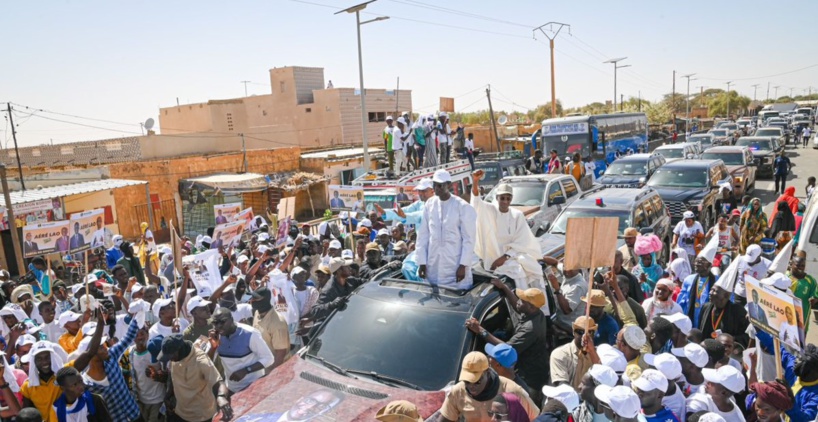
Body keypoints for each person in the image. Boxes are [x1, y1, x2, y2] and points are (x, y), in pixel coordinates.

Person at [466, 280, 549, 393]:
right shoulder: (534, 312)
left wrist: (480, 330)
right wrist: (504, 288)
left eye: (522, 301)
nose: (519, 302)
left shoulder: (531, 328)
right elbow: (516, 305)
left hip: (530, 377)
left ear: (532, 307)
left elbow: (506, 349)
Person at [471, 172, 546, 292]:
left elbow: (522, 241)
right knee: (516, 274)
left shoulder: (517, 215)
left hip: (512, 256)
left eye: (508, 198)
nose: (505, 201)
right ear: (497, 198)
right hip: (492, 257)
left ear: (511, 199)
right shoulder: (490, 210)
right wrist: (475, 182)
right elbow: (477, 202)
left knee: (533, 271)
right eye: (502, 198)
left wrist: (505, 257)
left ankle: (528, 304)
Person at [437, 352, 539, 422]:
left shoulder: (512, 391)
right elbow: (445, 419)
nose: (471, 386)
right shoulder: (457, 392)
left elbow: (536, 418)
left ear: (488, 373)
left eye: (477, 381)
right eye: (467, 381)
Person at [416, 170, 476, 288]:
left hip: (455, 267)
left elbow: (469, 239)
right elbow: (423, 235)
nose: (437, 188)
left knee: (456, 301)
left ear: (449, 185)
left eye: (440, 185)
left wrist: (463, 265)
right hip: (433, 266)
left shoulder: (462, 207)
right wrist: (422, 262)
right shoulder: (430, 204)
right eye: (435, 185)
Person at [160, 335, 233, 422]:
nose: (170, 359)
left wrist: (221, 397)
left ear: (180, 349)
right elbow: (172, 375)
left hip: (202, 417)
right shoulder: (175, 359)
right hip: (180, 414)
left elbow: (219, 383)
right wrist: (168, 395)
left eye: (171, 356)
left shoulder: (200, 360)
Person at [209, 307, 274, 394]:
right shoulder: (217, 336)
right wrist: (213, 346)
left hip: (255, 387)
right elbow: (208, 362)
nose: (218, 326)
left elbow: (269, 359)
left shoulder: (250, 334)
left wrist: (246, 370)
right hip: (232, 389)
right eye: (215, 323)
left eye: (222, 322)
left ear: (231, 319)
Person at [550, 316, 596, 389]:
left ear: (593, 334)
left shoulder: (598, 355)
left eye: (589, 332)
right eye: (580, 332)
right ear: (574, 332)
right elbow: (562, 386)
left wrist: (592, 352)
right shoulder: (560, 354)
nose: (584, 336)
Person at [545, 256, 589, 335]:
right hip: (560, 320)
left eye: (570, 268)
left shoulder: (578, 286)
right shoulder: (568, 272)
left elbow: (567, 310)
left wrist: (557, 289)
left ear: (577, 268)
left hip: (568, 326)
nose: (566, 270)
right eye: (565, 266)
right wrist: (538, 257)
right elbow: (555, 262)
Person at [677, 255, 717, 328]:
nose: (696, 264)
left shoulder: (717, 281)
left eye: (700, 262)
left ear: (709, 265)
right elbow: (681, 301)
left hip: (709, 318)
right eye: (696, 261)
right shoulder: (689, 279)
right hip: (690, 318)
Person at [789, 255, 818, 333]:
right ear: (791, 264)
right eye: (797, 265)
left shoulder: (810, 281)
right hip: (787, 312)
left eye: (802, 265)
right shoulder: (785, 277)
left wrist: (814, 300)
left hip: (803, 315)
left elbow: (815, 295)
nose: (800, 268)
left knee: (801, 337)